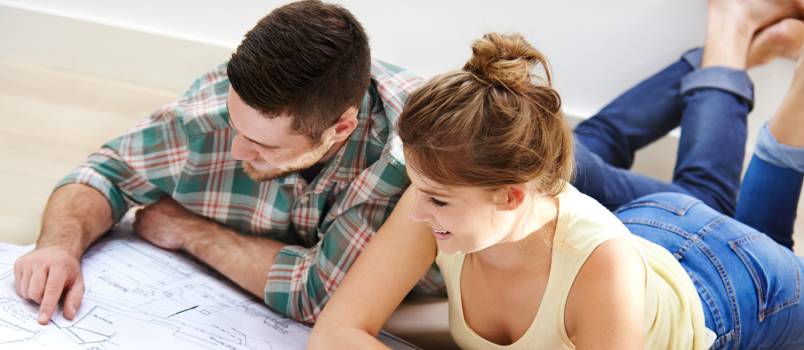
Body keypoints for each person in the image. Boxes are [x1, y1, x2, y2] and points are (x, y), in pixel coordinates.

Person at [309, 3, 804, 350]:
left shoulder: (601, 268)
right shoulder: (437, 195)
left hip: (732, 284)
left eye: (437, 200)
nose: (415, 211)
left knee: (762, 238)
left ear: (510, 197)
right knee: (726, 204)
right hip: (648, 227)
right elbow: (334, 333)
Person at [12, 0, 442, 325]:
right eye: (236, 126)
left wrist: (188, 230)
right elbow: (105, 173)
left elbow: (320, 296)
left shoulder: (403, 158)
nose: (237, 150)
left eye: (263, 145)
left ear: (340, 129)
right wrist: (58, 246)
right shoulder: (216, 109)